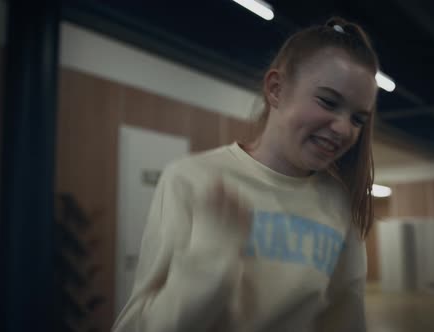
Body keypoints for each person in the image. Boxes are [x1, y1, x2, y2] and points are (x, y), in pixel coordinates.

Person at [112, 16, 380, 332]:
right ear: (276, 89)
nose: (344, 128)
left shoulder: (338, 202)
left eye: (358, 119)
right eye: (328, 101)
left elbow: (345, 318)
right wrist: (212, 259)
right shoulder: (192, 179)